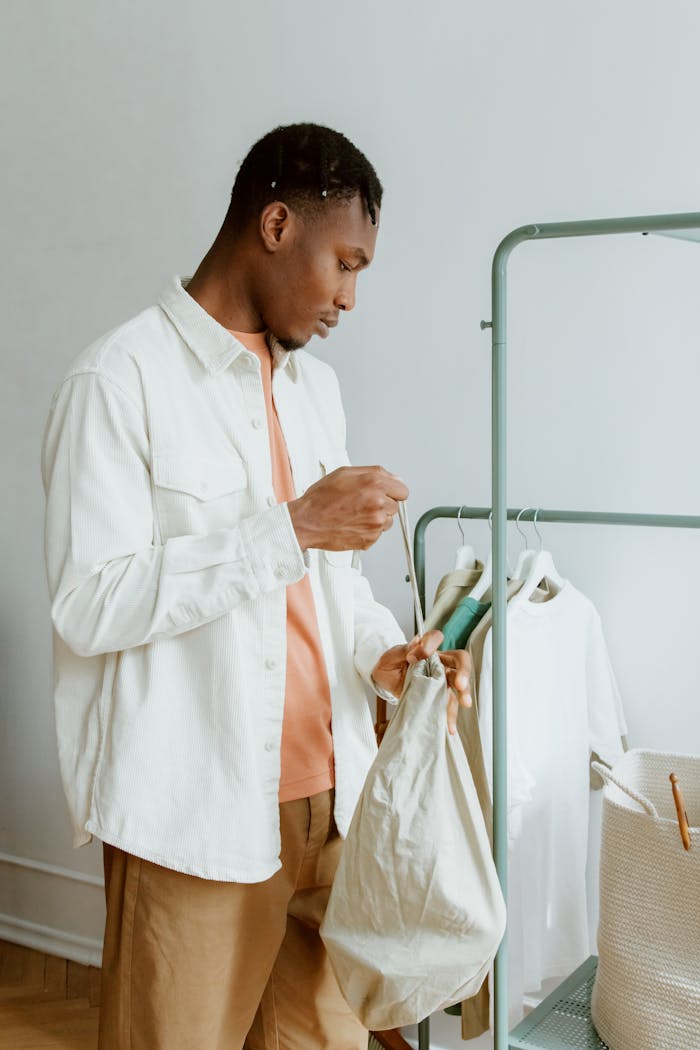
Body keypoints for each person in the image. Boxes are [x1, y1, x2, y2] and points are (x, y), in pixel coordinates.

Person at [41, 122, 471, 1050]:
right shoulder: (118, 383)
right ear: (276, 224)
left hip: (332, 802)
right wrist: (288, 527)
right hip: (195, 813)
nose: (350, 297)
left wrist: (384, 658)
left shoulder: (316, 391)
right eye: (344, 263)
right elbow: (91, 602)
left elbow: (336, 588)